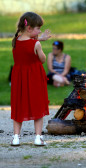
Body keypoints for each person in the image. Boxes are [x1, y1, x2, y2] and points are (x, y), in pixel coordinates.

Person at [11, 12, 51, 146]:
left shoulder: (16, 41)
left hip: (19, 78)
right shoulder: (36, 45)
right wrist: (39, 42)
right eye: (38, 29)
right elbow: (43, 59)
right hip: (34, 77)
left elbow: (26, 43)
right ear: (29, 28)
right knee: (37, 105)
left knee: (18, 105)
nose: (39, 31)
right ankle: (38, 138)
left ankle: (16, 137)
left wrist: (39, 38)